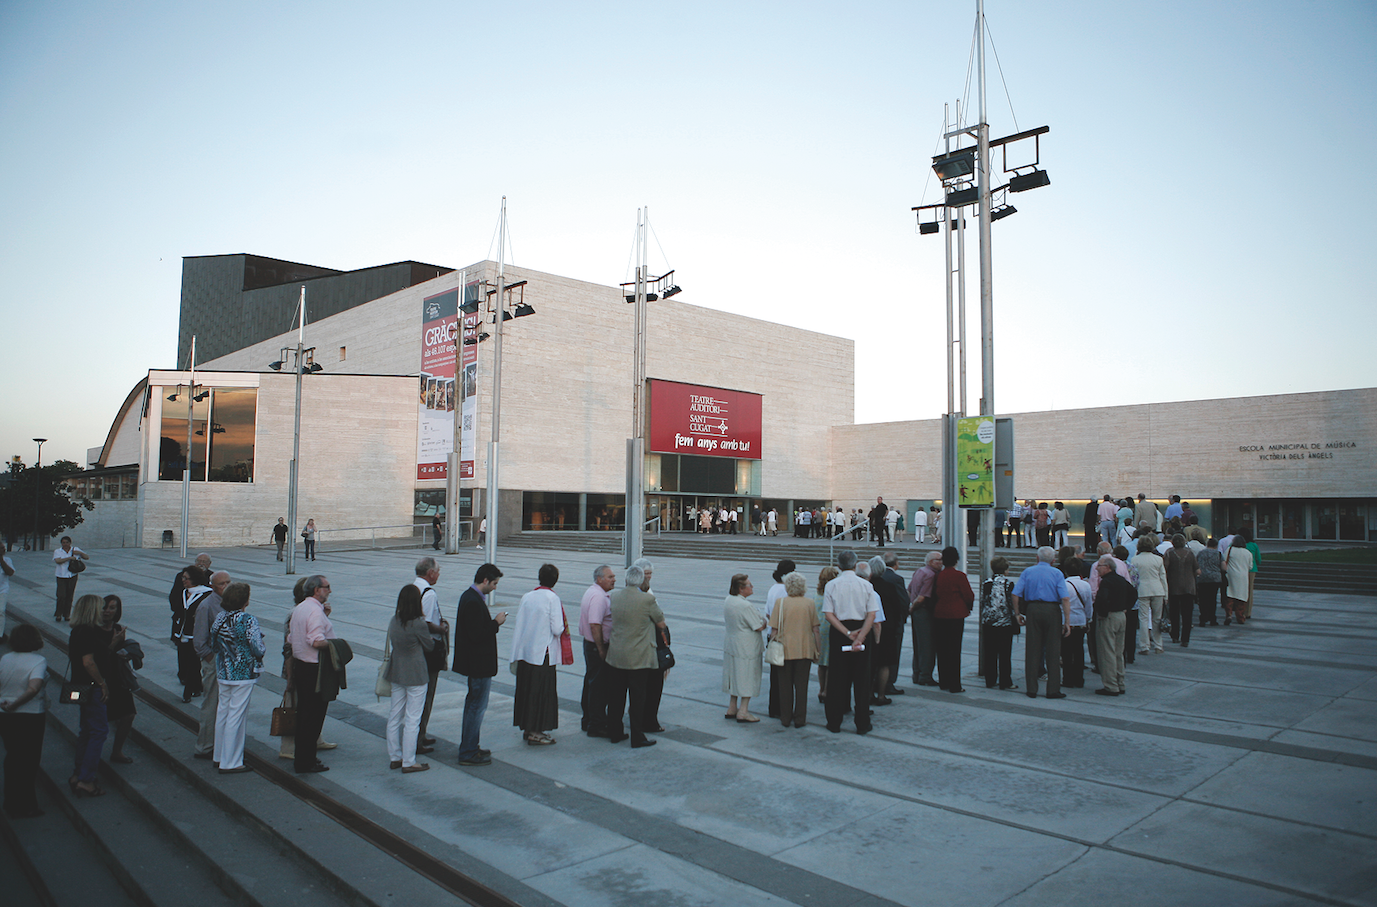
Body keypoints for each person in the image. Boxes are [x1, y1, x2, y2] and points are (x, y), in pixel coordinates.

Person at [604, 564, 667, 748]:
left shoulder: (614, 596)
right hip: (638, 656)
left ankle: (615, 732)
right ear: (641, 581)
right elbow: (661, 623)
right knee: (637, 698)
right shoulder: (647, 600)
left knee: (616, 697)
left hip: (616, 654)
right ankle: (637, 736)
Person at [453, 563, 505, 766]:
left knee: (473, 706)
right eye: (494, 583)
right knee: (476, 707)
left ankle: (471, 746)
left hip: (476, 663)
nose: (495, 587)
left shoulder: (471, 597)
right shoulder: (473, 601)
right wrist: (496, 623)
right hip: (478, 664)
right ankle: (468, 751)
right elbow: (477, 634)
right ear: (485, 580)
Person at [210, 582, 265, 773]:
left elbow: (213, 644)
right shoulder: (248, 620)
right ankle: (231, 761)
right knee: (236, 715)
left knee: (223, 712)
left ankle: (219, 755)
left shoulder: (220, 617)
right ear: (245, 600)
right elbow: (257, 648)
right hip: (242, 672)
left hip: (223, 670)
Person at [509, 564, 565, 746]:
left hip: (526, 652)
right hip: (543, 653)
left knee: (527, 691)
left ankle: (528, 727)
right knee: (542, 692)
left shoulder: (527, 596)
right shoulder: (552, 598)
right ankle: (536, 731)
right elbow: (557, 628)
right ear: (555, 580)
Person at [821, 551, 876, 734]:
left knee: (837, 678)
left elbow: (828, 614)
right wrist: (860, 636)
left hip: (840, 631)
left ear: (839, 566)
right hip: (861, 628)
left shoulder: (831, 585)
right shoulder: (866, 585)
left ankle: (834, 722)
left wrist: (847, 633)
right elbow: (872, 614)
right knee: (862, 679)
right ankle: (862, 723)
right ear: (855, 565)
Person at [385, 584, 435, 773]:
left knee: (394, 715)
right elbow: (429, 646)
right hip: (415, 673)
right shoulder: (419, 623)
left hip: (397, 670)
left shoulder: (394, 620)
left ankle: (395, 756)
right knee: (413, 718)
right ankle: (409, 760)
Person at [289, 575, 337, 773]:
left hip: (301, 665)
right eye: (327, 587)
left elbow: (291, 637)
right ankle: (306, 761)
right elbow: (316, 640)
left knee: (304, 715)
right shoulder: (315, 612)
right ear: (317, 590)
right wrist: (336, 644)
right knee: (313, 716)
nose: (329, 591)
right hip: (314, 668)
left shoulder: (300, 608)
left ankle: (303, 757)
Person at [1011, 546, 1071, 699]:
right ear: (1053, 560)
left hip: (1032, 609)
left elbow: (1015, 593)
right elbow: (1065, 598)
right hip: (1052, 610)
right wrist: (1067, 621)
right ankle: (1053, 689)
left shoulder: (1028, 572)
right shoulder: (1057, 573)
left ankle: (1031, 688)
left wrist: (1017, 613)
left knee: (1032, 649)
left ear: (1037, 558)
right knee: (1053, 649)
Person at [0, 624, 48, 817]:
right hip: (30, 716)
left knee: (12, 757)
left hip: (4, 715)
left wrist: (6, 703)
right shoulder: (38, 661)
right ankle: (26, 804)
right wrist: (16, 704)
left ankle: (10, 801)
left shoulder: (5, 658)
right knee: (28, 761)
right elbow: (33, 688)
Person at [68, 594, 113, 797]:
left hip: (79, 686)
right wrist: (102, 683)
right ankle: (86, 780)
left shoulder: (77, 630)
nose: (103, 610)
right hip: (91, 687)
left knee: (86, 730)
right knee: (98, 731)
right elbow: (88, 661)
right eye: (100, 607)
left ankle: (79, 774)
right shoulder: (87, 632)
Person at [769, 572, 820, 728]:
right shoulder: (809, 603)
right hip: (804, 649)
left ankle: (785, 717)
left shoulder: (780, 603)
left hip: (784, 649)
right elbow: (815, 629)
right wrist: (818, 649)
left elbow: (774, 630)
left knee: (784, 686)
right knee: (801, 686)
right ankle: (800, 718)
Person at [411, 557, 449, 754]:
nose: (439, 574)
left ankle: (419, 733)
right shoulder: (428, 593)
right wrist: (441, 628)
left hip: (416, 650)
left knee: (419, 696)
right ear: (430, 573)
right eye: (438, 570)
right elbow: (424, 623)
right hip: (429, 649)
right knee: (426, 695)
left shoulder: (413, 588)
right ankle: (417, 737)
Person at [191, 571, 229, 760]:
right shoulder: (206, 606)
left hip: (229, 660)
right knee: (212, 702)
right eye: (223, 583)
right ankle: (205, 745)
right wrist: (208, 658)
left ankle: (222, 743)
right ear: (213, 586)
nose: (227, 586)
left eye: (229, 582)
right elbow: (199, 638)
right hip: (214, 660)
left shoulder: (230, 603)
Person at [100, 595, 139, 764]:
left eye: (112, 608)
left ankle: (117, 751)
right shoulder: (94, 630)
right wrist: (112, 644)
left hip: (117, 678)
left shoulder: (117, 629)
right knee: (98, 721)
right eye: (105, 607)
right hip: (100, 679)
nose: (107, 611)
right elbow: (95, 658)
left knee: (128, 714)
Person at [930, 546, 974, 693]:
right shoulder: (959, 576)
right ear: (956, 559)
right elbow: (969, 595)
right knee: (954, 650)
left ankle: (944, 681)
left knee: (942, 649)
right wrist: (967, 607)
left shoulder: (939, 575)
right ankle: (955, 684)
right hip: (955, 614)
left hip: (940, 614)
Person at [723, 574, 765, 722]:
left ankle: (732, 707)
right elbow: (759, 626)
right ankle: (744, 710)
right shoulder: (745, 605)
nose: (752, 587)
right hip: (747, 646)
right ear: (741, 589)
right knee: (747, 676)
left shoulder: (729, 600)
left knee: (734, 674)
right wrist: (764, 620)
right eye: (749, 585)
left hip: (732, 643)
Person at [633, 558, 669, 733]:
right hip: (649, 647)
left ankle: (640, 719)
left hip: (636, 648)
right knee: (651, 687)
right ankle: (648, 721)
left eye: (650, 574)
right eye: (646, 574)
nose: (648, 577)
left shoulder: (622, 595)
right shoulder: (646, 597)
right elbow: (660, 623)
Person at [1092, 555, 1136, 696]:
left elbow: (1101, 599)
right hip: (1121, 616)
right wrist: (1126, 607)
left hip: (1109, 617)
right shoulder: (1121, 580)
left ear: (1108, 567)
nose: (1097, 569)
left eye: (1100, 566)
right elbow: (1133, 593)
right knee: (1118, 651)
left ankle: (1111, 685)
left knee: (1107, 652)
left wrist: (1102, 612)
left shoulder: (1107, 582)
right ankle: (1120, 681)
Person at [579, 565, 615, 736]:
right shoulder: (599, 597)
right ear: (599, 579)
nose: (613, 580)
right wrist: (601, 649)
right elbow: (595, 624)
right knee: (599, 687)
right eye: (610, 577)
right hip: (596, 646)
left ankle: (588, 720)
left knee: (591, 683)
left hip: (590, 644)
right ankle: (597, 724)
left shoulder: (592, 591)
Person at [869, 554, 909, 701]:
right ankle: (885, 689)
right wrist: (901, 620)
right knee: (887, 661)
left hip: (870, 627)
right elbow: (902, 604)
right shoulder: (894, 582)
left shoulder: (867, 585)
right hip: (889, 627)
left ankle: (870, 690)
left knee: (872, 660)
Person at [175, 566, 213, 702]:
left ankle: (188, 692)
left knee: (193, 664)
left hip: (197, 635)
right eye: (183, 578)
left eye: (186, 578)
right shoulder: (183, 593)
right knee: (184, 663)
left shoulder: (207, 594)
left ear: (194, 579)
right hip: (182, 634)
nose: (183, 580)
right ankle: (196, 687)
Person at [763, 559, 795, 719]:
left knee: (776, 675)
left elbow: (768, 613)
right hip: (783, 635)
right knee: (785, 676)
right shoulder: (785, 590)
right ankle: (783, 708)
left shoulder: (773, 588)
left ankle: (774, 706)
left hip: (772, 634)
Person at [979, 557, 1017, 690]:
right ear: (1005, 570)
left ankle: (990, 679)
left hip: (988, 622)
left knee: (990, 652)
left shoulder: (986, 582)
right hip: (1004, 622)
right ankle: (1005, 681)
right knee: (1005, 653)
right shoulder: (1008, 583)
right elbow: (1011, 603)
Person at [906, 550, 942, 687]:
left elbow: (909, 590)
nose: (942, 563)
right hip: (924, 612)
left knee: (918, 644)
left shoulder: (919, 571)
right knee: (927, 645)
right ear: (932, 562)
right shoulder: (931, 575)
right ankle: (925, 676)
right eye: (939, 560)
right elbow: (922, 597)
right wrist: (913, 608)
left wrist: (911, 606)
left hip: (917, 612)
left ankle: (917, 673)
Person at [1134, 537, 1168, 654]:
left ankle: (1145, 646)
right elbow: (1163, 577)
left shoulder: (1135, 560)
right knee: (1157, 619)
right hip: (1157, 590)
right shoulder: (1158, 559)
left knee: (1143, 618)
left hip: (1142, 590)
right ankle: (1158, 645)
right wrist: (1166, 594)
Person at [1163, 534, 1199, 647]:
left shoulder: (1169, 553)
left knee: (1174, 613)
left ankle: (1175, 635)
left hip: (1173, 587)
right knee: (1187, 615)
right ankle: (1185, 639)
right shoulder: (1190, 553)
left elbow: (1165, 568)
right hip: (1189, 587)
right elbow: (1198, 570)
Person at [1062, 559, 1092, 688]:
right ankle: (1079, 679)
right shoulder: (1085, 585)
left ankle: (1068, 679)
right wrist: (1088, 618)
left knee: (1066, 651)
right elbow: (1089, 604)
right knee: (1079, 650)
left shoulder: (1064, 584)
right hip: (1080, 619)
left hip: (1067, 621)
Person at [53, 536, 90, 621]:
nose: (65, 544)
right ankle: (58, 614)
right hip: (61, 575)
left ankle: (67, 614)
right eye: (63, 543)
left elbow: (87, 557)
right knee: (61, 595)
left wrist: (79, 552)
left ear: (70, 543)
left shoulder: (74, 549)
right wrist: (69, 558)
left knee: (69, 596)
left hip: (72, 575)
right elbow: (58, 561)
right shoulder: (58, 551)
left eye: (67, 542)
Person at [1223, 538, 1253, 625]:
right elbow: (1250, 566)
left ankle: (1229, 615)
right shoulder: (1248, 553)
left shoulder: (1230, 550)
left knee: (1230, 595)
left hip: (1231, 575)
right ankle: (1240, 617)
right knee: (1241, 597)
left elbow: (1224, 561)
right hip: (1243, 577)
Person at [1196, 538, 1224, 627]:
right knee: (1212, 599)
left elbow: (1196, 564)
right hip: (1214, 579)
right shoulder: (1218, 553)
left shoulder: (1201, 553)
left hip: (1202, 578)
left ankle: (1203, 618)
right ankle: (1212, 618)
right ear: (1216, 546)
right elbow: (1224, 567)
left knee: (1203, 599)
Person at [0, 546, 15, 643]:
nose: (3, 550)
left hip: (2, 590)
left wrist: (1, 560)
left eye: (2, 548)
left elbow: (10, 572)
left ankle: (0, 635)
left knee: (1, 611)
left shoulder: (7, 560)